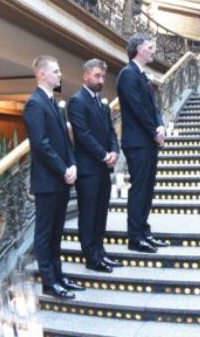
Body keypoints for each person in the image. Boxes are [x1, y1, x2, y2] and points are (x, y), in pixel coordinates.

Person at [23, 55, 84, 299]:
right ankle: (49, 282)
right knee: (45, 234)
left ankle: (59, 276)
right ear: (42, 74)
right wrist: (62, 169)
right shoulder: (34, 104)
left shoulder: (55, 102)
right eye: (56, 71)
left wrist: (72, 165)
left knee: (57, 233)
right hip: (48, 182)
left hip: (61, 179)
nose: (60, 75)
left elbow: (66, 141)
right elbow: (40, 144)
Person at [116, 34, 169, 253]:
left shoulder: (142, 75)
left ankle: (144, 231)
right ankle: (135, 237)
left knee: (147, 189)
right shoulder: (127, 74)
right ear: (138, 49)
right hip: (137, 142)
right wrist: (153, 130)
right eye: (150, 47)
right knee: (139, 189)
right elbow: (136, 108)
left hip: (147, 139)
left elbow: (152, 107)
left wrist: (160, 127)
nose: (153, 50)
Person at [68, 59, 121, 273]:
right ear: (85, 76)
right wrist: (103, 155)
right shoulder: (76, 101)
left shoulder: (103, 103)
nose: (101, 80)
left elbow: (110, 131)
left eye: (102, 77)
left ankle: (100, 252)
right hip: (88, 170)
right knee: (89, 214)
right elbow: (83, 135)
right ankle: (91, 257)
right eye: (97, 76)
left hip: (103, 169)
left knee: (101, 214)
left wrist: (115, 151)